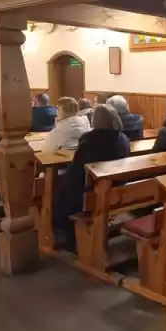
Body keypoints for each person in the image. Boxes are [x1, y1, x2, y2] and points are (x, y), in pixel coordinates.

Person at [53, 104, 130, 252]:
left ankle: (70, 239)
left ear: (96, 120)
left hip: (90, 194)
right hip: (116, 190)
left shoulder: (89, 141)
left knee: (60, 192)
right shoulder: (123, 138)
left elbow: (76, 172)